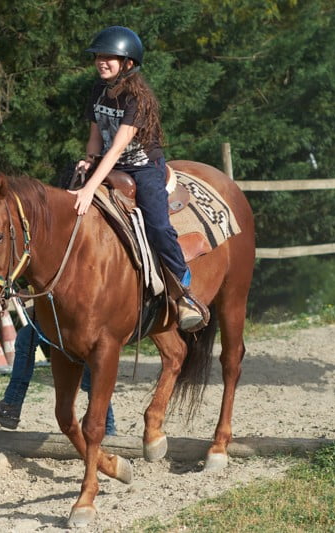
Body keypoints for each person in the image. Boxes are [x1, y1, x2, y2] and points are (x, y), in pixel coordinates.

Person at [67, 26, 208, 333]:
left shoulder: (137, 99)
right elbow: (96, 135)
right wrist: (88, 160)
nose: (101, 62)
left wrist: (90, 188)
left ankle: (183, 291)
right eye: (98, 56)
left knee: (157, 225)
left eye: (109, 57)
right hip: (107, 164)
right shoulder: (98, 90)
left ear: (128, 63)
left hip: (143, 168)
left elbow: (118, 147)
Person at [0, 320, 117, 435]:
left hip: (74, 317)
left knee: (87, 368)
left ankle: (11, 406)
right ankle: (11, 405)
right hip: (66, 316)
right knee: (27, 338)